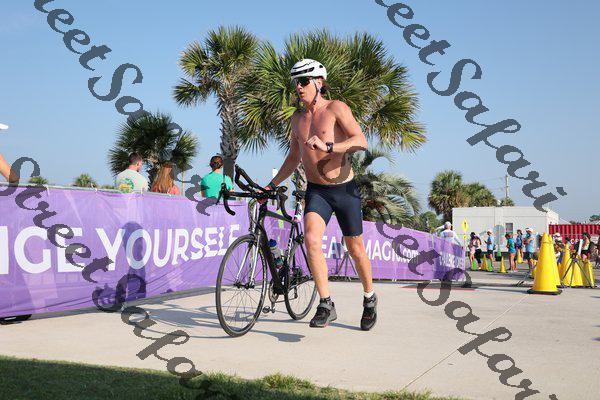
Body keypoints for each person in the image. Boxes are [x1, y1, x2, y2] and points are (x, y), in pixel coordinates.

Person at [266, 59, 376, 330]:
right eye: (296, 82)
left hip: (345, 189)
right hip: (317, 191)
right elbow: (293, 158)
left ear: (318, 82)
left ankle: (369, 298)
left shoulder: (336, 108)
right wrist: (271, 185)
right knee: (312, 240)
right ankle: (326, 304)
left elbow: (361, 141)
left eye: (304, 81)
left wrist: (329, 146)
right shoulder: (297, 118)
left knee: (355, 249)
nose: (299, 87)